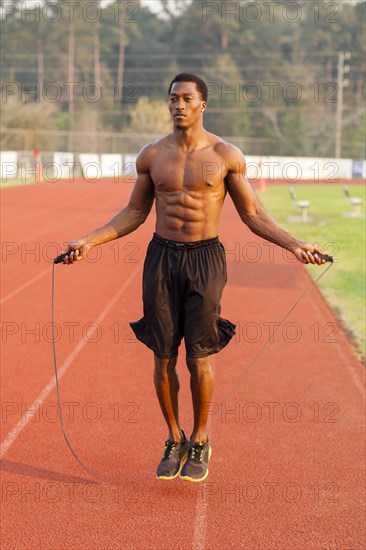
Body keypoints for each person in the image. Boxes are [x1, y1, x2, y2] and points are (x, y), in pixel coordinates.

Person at [60, 73, 327, 483]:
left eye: (187, 99)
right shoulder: (152, 155)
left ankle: (200, 439)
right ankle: (173, 437)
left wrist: (293, 244)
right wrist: (90, 241)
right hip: (161, 259)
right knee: (162, 355)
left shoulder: (225, 154)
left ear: (203, 104)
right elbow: (134, 213)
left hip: (206, 259)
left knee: (199, 355)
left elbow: (252, 214)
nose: (178, 105)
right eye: (173, 99)